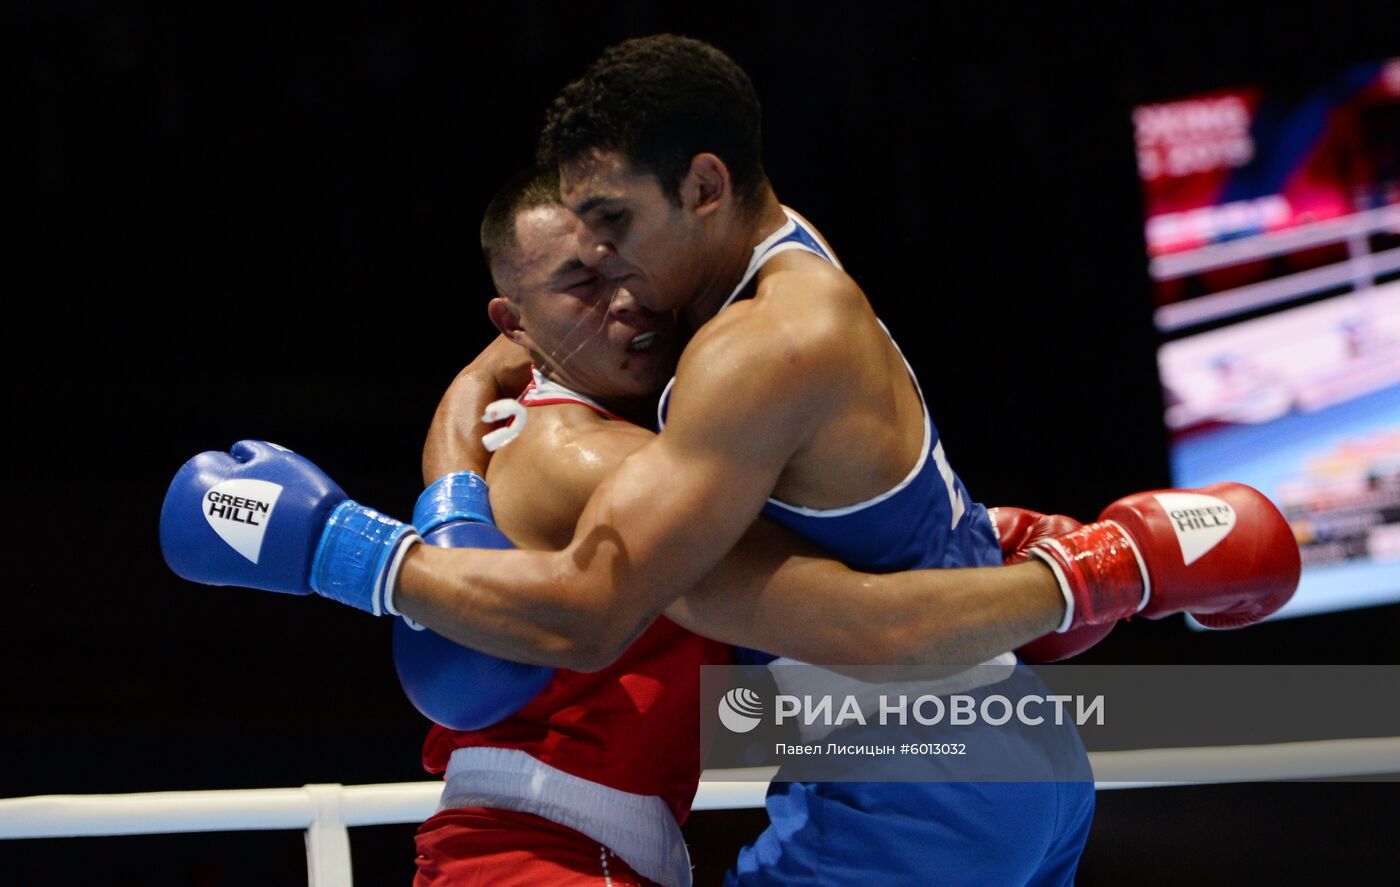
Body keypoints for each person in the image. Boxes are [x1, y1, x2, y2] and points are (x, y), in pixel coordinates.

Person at [159, 36, 1299, 886]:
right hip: (1000, 756)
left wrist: (331, 545)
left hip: (908, 761)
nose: (613, 275)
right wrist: (1084, 558)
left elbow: (623, 611)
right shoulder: (773, 264)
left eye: (614, 224)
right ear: (512, 319)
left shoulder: (741, 351)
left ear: (705, 187)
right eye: (578, 265)